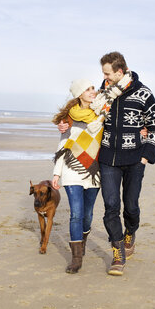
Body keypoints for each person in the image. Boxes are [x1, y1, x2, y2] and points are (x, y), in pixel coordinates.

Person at [58, 51, 155, 276]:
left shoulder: (144, 94)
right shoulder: (102, 95)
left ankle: (129, 234)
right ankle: (118, 254)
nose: (103, 77)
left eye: (107, 73)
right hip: (107, 160)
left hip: (134, 160)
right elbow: (81, 112)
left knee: (131, 207)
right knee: (111, 208)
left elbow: (154, 127)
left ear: (119, 71)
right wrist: (65, 124)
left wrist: (146, 156)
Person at [51, 79, 102, 274]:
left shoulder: (100, 114)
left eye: (93, 88)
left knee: (87, 216)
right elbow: (63, 145)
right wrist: (57, 173)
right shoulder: (69, 119)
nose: (92, 91)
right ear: (79, 94)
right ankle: (76, 258)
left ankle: (83, 239)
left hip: (93, 170)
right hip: (72, 170)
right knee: (76, 214)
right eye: (88, 89)